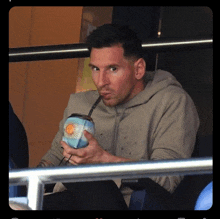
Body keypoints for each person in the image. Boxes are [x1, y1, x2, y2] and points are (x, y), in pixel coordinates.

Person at [38, 24, 200, 210]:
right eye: (96, 69)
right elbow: (54, 156)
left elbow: (166, 179)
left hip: (128, 206)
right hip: (68, 200)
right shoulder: (80, 103)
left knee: (87, 179)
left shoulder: (171, 101)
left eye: (113, 69)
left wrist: (103, 160)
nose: (101, 82)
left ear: (138, 69)